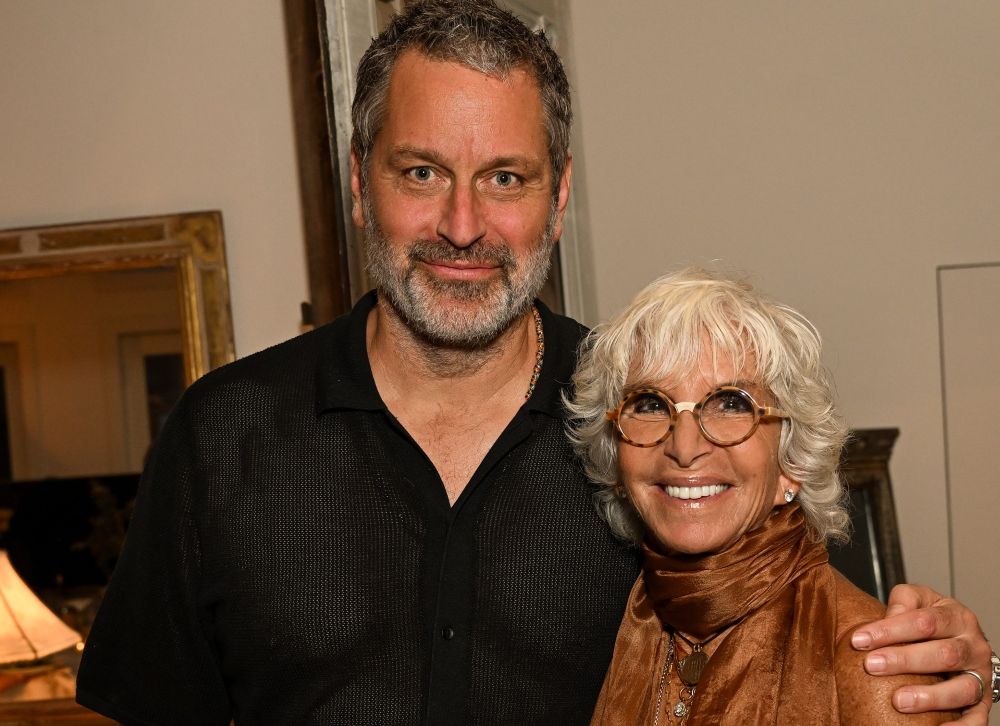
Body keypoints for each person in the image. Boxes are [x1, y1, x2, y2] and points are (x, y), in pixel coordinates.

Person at [76, 1, 995, 724]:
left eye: (505, 178)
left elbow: (822, 632)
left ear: (557, 201)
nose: (462, 226)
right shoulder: (225, 434)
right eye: (422, 172)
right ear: (361, 185)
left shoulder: (650, 429)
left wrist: (968, 667)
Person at [567, 268, 977, 724]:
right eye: (649, 404)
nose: (684, 447)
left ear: (790, 462)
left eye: (731, 404)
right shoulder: (598, 623)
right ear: (616, 458)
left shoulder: (872, 669)